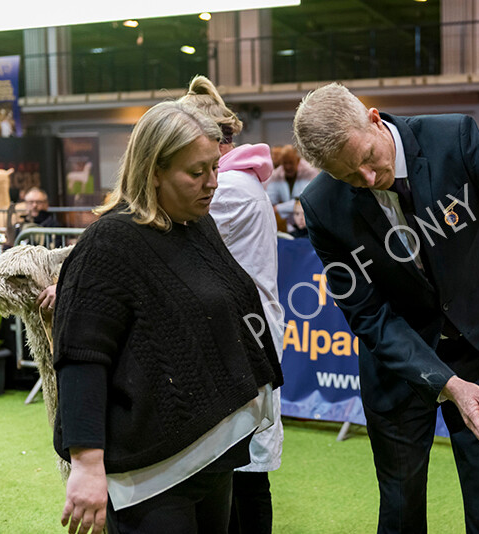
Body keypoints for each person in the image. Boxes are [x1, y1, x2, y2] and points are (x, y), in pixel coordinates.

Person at [294, 82, 479, 534]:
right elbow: (369, 315)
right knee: (399, 511)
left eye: (365, 158)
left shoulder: (454, 137)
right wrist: (447, 383)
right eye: (345, 176)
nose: (364, 178)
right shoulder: (320, 205)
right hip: (399, 368)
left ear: (375, 119)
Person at [52, 101, 283, 534]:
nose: (212, 183)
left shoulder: (196, 225)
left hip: (212, 455)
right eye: (196, 173)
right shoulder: (108, 245)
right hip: (152, 475)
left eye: (214, 167)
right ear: (153, 170)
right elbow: (81, 357)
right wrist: (86, 463)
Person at [179, 74, 284, 534]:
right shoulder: (240, 181)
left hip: (241, 344)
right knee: (237, 472)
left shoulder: (229, 189)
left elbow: (152, 236)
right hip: (239, 340)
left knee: (244, 475)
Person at [265, 144, 318, 225]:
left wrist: (279, 208)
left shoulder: (310, 172)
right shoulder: (276, 175)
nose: (288, 167)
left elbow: (303, 201)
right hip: (288, 225)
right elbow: (270, 200)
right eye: (285, 163)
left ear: (297, 160)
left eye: (291, 162)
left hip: (308, 223)